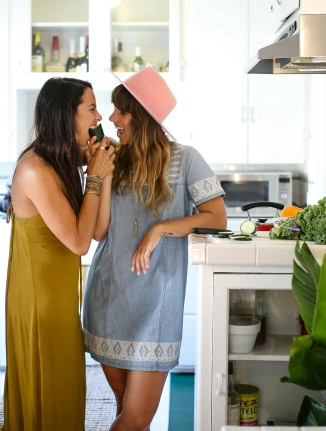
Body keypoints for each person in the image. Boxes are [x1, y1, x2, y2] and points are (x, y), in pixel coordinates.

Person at [82, 67, 227, 431]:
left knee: (132, 419)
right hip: (109, 299)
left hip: (157, 308)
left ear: (143, 117)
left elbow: (216, 217)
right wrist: (99, 174)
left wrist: (160, 229)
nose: (111, 118)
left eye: (122, 111)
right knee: (129, 417)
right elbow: (99, 232)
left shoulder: (186, 159)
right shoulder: (113, 159)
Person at [4, 77, 115, 431]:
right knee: (46, 394)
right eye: (92, 108)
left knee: (65, 391)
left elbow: (96, 229)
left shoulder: (63, 161)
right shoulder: (36, 170)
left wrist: (104, 173)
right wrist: (94, 177)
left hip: (61, 301)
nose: (100, 118)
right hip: (38, 304)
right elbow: (81, 242)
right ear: (68, 115)